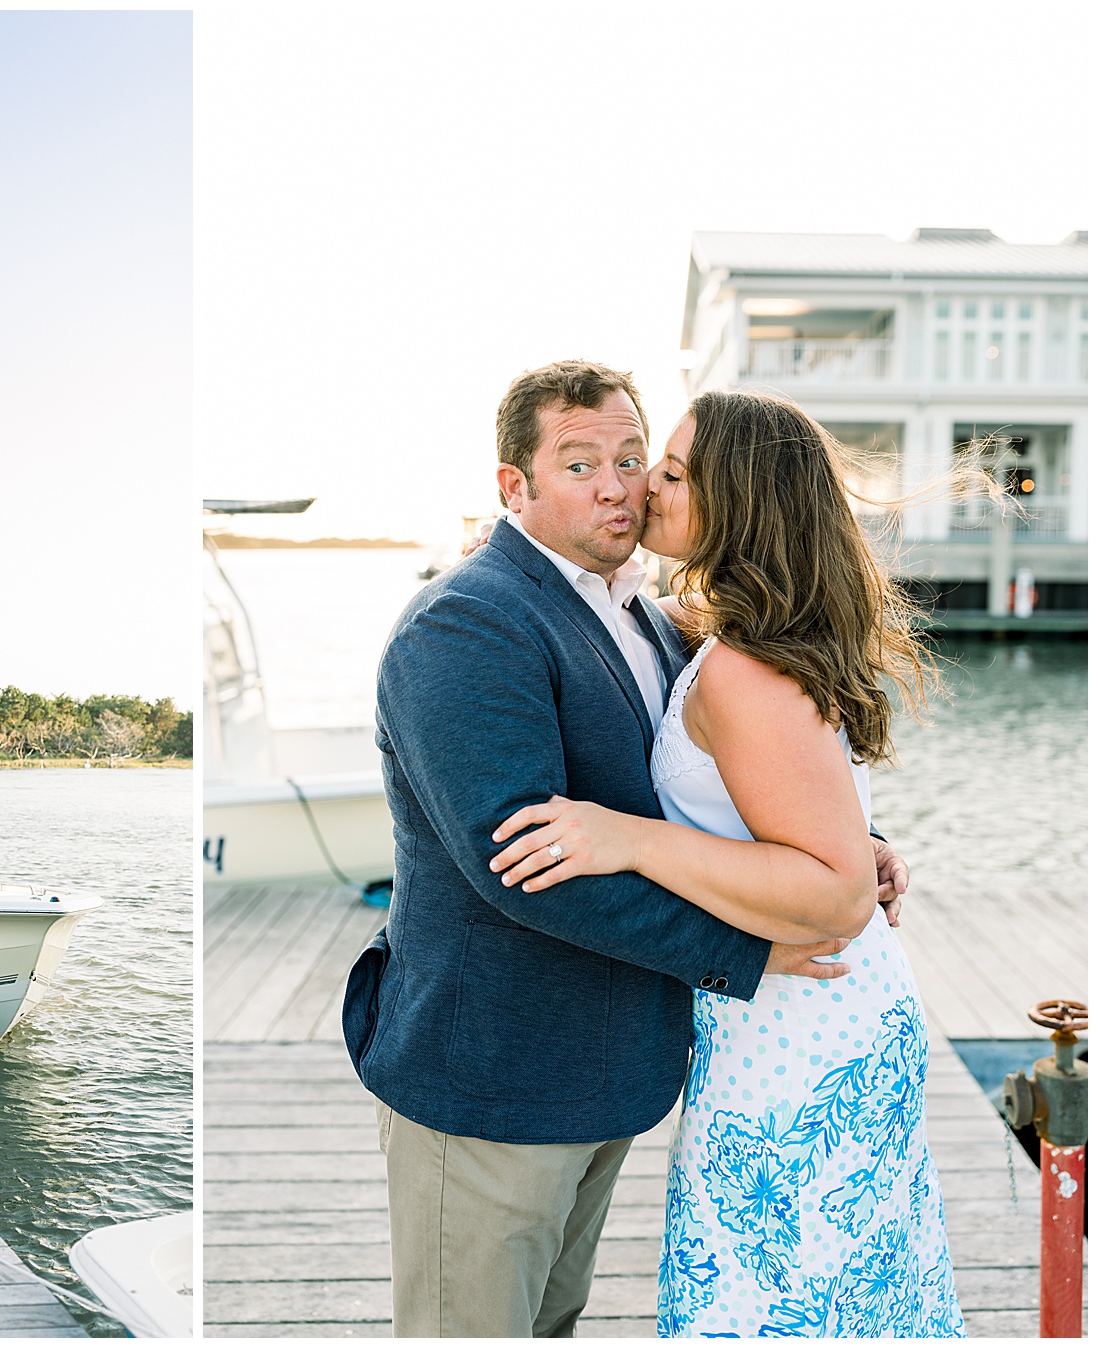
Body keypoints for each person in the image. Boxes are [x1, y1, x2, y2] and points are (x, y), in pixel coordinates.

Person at [341, 360, 910, 1338]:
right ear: (512, 486)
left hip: (605, 1070)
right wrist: (751, 949)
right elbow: (527, 870)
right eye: (578, 463)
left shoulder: (649, 617)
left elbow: (735, 782)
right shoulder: (468, 624)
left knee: (552, 1321)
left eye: (632, 458)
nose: (618, 485)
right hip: (494, 1077)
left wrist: (850, 842)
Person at [486, 388, 962, 1336]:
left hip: (802, 1037)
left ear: (735, 498)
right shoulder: (722, 631)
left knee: (781, 1305)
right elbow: (794, 812)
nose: (643, 487)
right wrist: (516, 562)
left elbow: (832, 897)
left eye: (670, 469)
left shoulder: (744, 665)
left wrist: (630, 838)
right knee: (832, 1301)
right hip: (799, 1020)